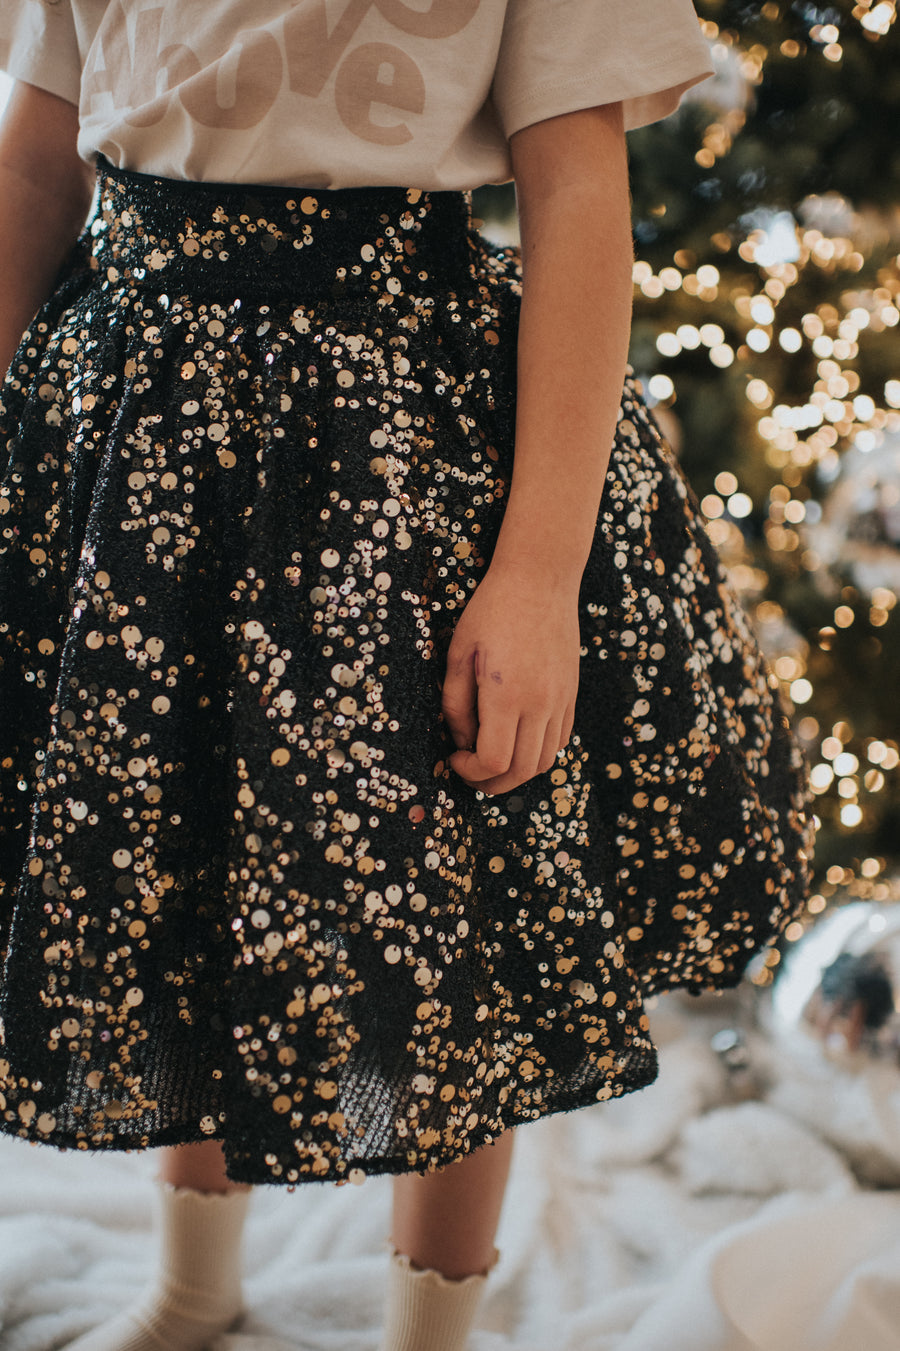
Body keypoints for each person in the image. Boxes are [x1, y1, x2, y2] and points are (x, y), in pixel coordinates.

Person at [0, 4, 814, 1349]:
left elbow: (577, 194)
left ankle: (429, 1333)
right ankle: (194, 1285)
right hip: (134, 436)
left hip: (392, 442)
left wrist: (538, 574)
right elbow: (38, 153)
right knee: (190, 853)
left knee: (453, 900)